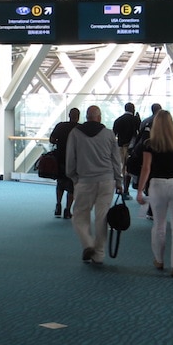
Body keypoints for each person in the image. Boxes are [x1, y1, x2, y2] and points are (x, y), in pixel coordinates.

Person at [136, 110, 173, 278]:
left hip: (157, 185)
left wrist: (140, 190)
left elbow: (146, 168)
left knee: (159, 225)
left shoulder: (149, 144)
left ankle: (159, 259)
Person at [66, 105, 123, 265]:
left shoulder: (76, 133)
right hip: (107, 180)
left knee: (79, 216)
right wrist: (118, 181)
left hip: (84, 181)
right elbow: (116, 160)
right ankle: (99, 254)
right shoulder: (109, 134)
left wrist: (73, 177)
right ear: (99, 117)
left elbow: (71, 158)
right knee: (101, 217)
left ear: (86, 117)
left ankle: (88, 244)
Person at [49, 107, 80, 219]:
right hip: (74, 161)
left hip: (60, 158)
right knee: (72, 186)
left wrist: (60, 142)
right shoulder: (79, 128)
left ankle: (58, 205)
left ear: (69, 115)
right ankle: (67, 210)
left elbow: (52, 139)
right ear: (78, 117)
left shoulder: (60, 125)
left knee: (60, 183)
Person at [112, 102, 141, 200]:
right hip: (132, 148)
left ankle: (119, 187)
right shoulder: (135, 120)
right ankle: (126, 190)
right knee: (128, 169)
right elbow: (139, 133)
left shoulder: (118, 120)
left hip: (120, 147)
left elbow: (113, 135)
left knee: (122, 168)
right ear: (133, 109)